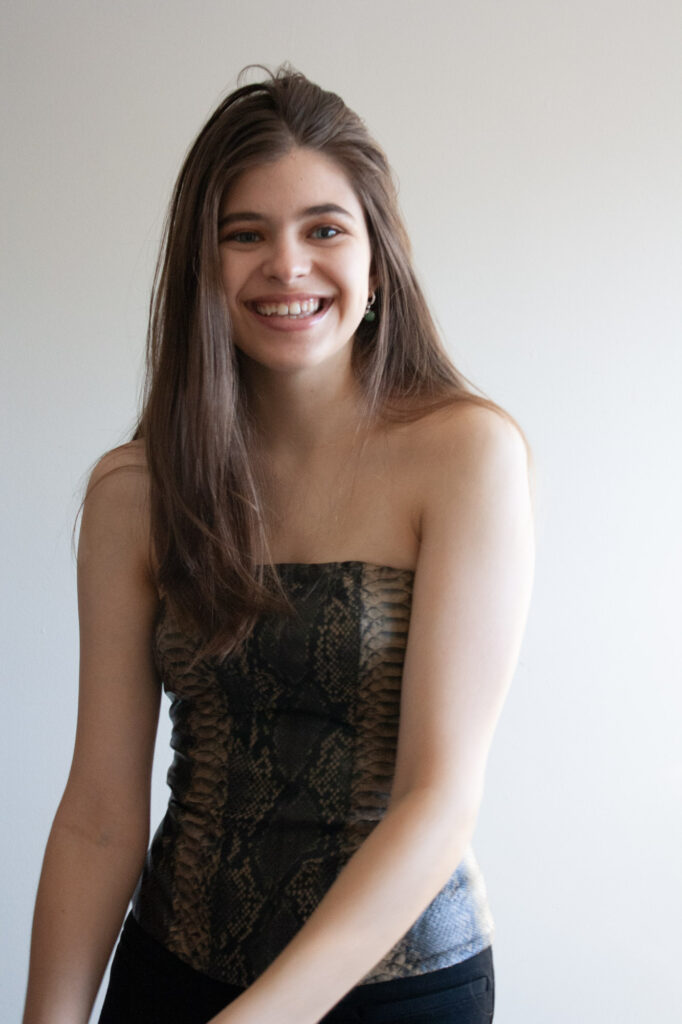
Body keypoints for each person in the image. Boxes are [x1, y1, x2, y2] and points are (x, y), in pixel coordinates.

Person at [22, 65, 535, 1024]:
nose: (287, 267)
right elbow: (98, 815)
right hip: (172, 972)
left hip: (401, 991)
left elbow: (435, 802)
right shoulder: (135, 490)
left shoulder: (467, 456)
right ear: (202, 268)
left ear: (378, 260)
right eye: (245, 234)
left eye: (324, 230)